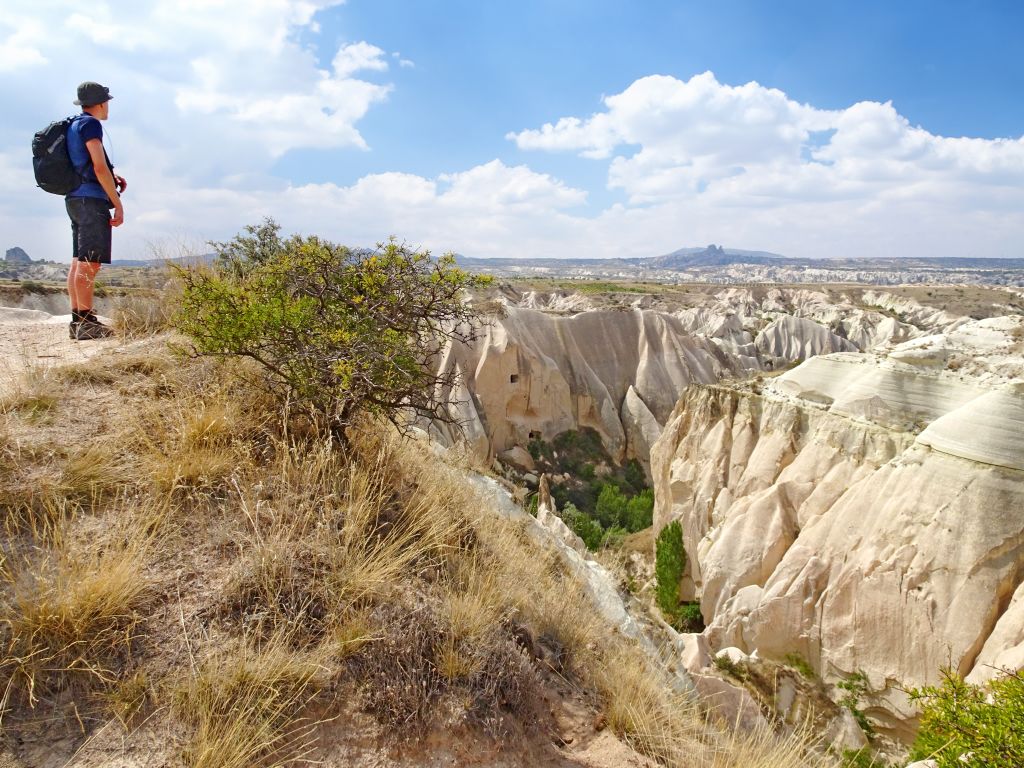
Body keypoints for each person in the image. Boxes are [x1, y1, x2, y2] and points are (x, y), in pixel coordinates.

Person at [65, 81, 127, 340]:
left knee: (79, 261)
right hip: (91, 200)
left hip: (75, 198)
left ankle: (78, 320)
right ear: (101, 103)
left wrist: (113, 175)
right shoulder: (91, 125)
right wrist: (118, 202)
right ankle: (86, 323)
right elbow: (99, 167)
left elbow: (89, 164)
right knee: (90, 264)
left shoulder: (73, 125)